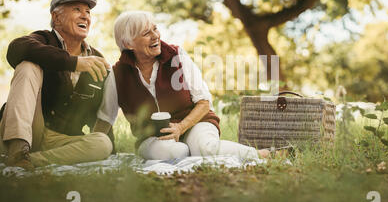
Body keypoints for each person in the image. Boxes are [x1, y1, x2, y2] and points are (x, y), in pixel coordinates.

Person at [94, 10, 271, 160]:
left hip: (196, 123)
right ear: (128, 44)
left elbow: (204, 102)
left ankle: (261, 154)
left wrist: (181, 127)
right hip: (152, 138)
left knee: (205, 148)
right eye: (146, 33)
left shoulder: (176, 56)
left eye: (155, 28)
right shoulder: (117, 74)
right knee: (177, 152)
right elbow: (105, 118)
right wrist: (96, 152)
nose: (155, 36)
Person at [0, 0, 114, 170]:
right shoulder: (43, 39)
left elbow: (100, 110)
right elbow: (16, 48)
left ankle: (29, 161)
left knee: (103, 143)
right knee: (28, 66)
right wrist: (73, 62)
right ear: (56, 18)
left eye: (88, 12)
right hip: (28, 129)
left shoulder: (96, 59)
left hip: (60, 139)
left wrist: (109, 148)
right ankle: (17, 150)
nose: (85, 15)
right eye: (77, 9)